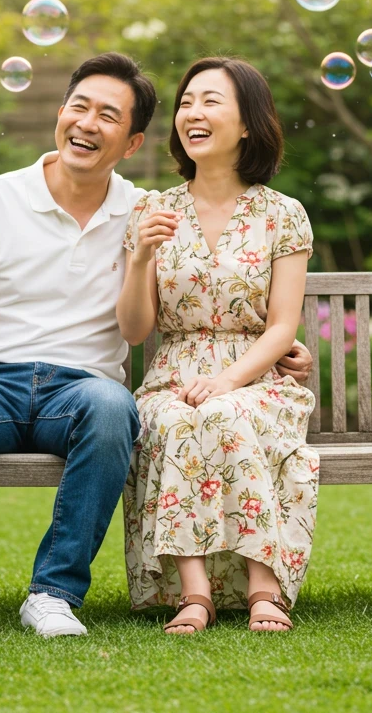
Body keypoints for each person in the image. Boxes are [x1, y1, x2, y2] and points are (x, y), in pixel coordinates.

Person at [0, 52, 313, 640]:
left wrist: (278, 353)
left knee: (116, 410)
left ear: (133, 141)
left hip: (82, 390)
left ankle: (54, 594)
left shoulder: (142, 208)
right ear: (60, 113)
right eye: (79, 107)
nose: (87, 123)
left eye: (107, 116)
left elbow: (210, 298)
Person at [117, 56, 319, 634]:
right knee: (179, 418)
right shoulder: (152, 211)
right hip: (172, 374)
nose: (192, 113)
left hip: (257, 374)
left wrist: (229, 380)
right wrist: (139, 260)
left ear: (248, 122)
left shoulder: (283, 214)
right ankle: (195, 593)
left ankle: (265, 587)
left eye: (211, 101)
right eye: (185, 102)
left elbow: (282, 326)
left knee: (227, 411)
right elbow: (135, 330)